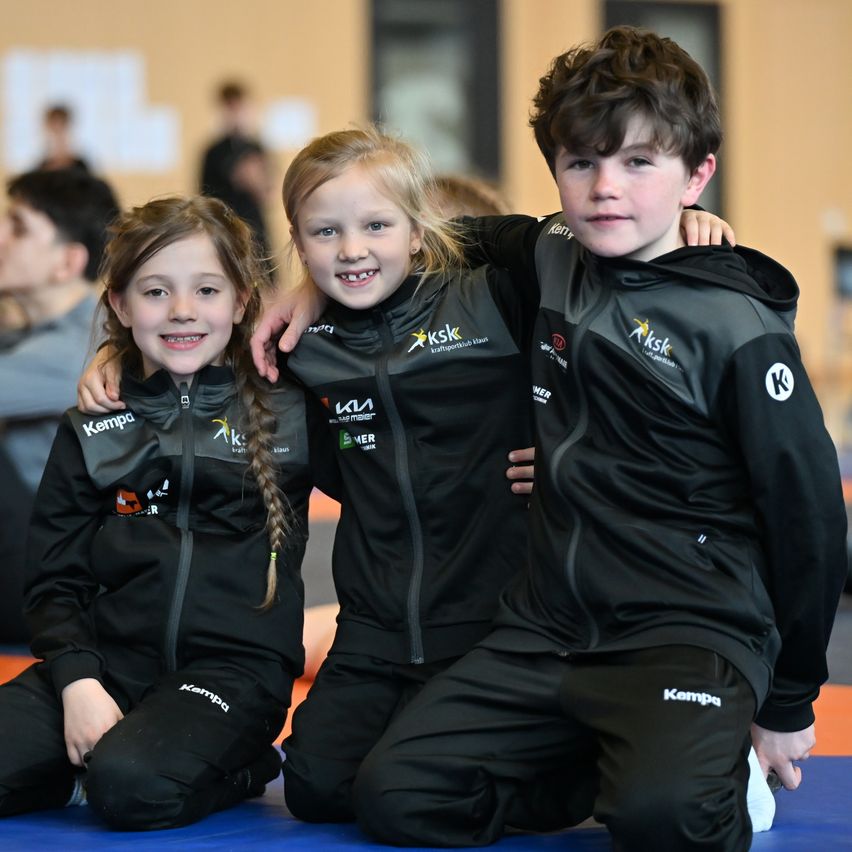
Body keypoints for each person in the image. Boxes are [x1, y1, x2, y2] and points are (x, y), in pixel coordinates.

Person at [76, 128, 731, 826]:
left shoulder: (496, 294)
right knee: (319, 790)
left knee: (389, 789)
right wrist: (121, 364)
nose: (352, 249)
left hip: (497, 626)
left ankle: (607, 766)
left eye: (377, 225)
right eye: (325, 233)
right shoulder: (298, 346)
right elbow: (198, 353)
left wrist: (673, 231)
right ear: (298, 243)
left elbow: (584, 272)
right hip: (376, 633)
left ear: (420, 231)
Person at [350, 27, 847, 850]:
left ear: (698, 174)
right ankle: (613, 763)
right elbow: (427, 244)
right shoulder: (551, 252)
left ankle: (706, 768)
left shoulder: (735, 327)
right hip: (548, 628)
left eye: (638, 163)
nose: (604, 188)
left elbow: (811, 522)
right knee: (396, 795)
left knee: (668, 822)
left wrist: (791, 701)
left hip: (683, 632)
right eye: (581, 162)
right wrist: (302, 290)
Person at [0, 196, 337, 830]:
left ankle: (237, 766)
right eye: (155, 292)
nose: (182, 310)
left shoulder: (291, 408)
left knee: (129, 785)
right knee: (98, 768)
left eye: (206, 289)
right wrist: (77, 682)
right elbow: (53, 576)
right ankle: (86, 771)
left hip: (232, 676)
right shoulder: (94, 425)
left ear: (241, 302)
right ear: (121, 308)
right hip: (108, 666)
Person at [0, 169, 118, 642]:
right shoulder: (49, 332)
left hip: (58, 582)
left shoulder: (81, 346)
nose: (2, 237)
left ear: (67, 261)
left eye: (19, 227)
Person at [199, 81, 273, 259]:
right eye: (230, 107)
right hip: (224, 227)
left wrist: (254, 180)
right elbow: (203, 196)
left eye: (239, 106)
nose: (235, 113)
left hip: (254, 228)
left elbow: (267, 192)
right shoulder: (214, 151)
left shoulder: (255, 147)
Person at [35, 104, 91, 173]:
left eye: (61, 126)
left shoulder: (81, 166)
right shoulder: (41, 168)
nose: (58, 134)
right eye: (54, 129)